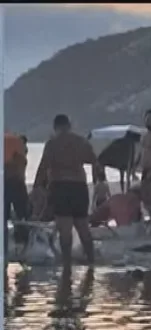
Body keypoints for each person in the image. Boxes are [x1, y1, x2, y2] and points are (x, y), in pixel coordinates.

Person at [33, 113, 98, 268]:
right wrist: (99, 181)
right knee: (83, 227)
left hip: (60, 186)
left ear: (55, 127)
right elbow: (94, 161)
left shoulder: (52, 143)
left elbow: (43, 167)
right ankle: (92, 263)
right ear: (69, 125)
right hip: (79, 186)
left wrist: (37, 187)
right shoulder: (81, 141)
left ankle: (67, 266)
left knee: (65, 229)